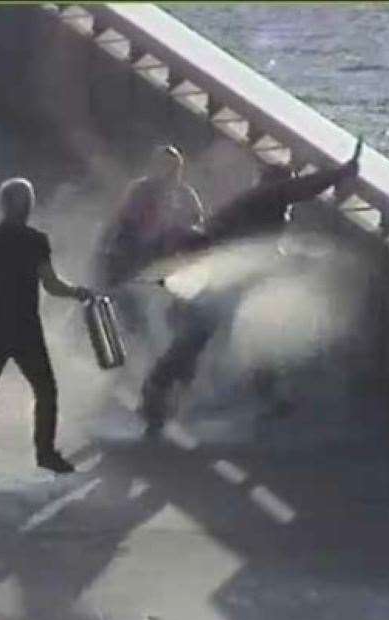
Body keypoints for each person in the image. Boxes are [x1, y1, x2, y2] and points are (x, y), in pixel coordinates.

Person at [140, 143, 362, 432]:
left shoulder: (261, 205)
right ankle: (157, 392)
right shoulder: (266, 198)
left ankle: (264, 396)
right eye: (286, 185)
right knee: (197, 338)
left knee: (240, 335)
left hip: (233, 286)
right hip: (223, 287)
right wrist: (339, 173)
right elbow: (300, 189)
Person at [0, 177, 93, 496]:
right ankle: (46, 452)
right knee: (46, 390)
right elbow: (51, 284)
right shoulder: (36, 240)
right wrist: (77, 293)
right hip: (26, 329)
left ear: (2, 205)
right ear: (27, 206)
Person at [95, 144, 205, 334]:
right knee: (115, 298)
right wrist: (107, 249)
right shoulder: (140, 189)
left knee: (155, 312)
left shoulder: (185, 195)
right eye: (163, 165)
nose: (167, 172)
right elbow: (121, 220)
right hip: (131, 256)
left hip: (164, 262)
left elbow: (197, 225)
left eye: (172, 167)